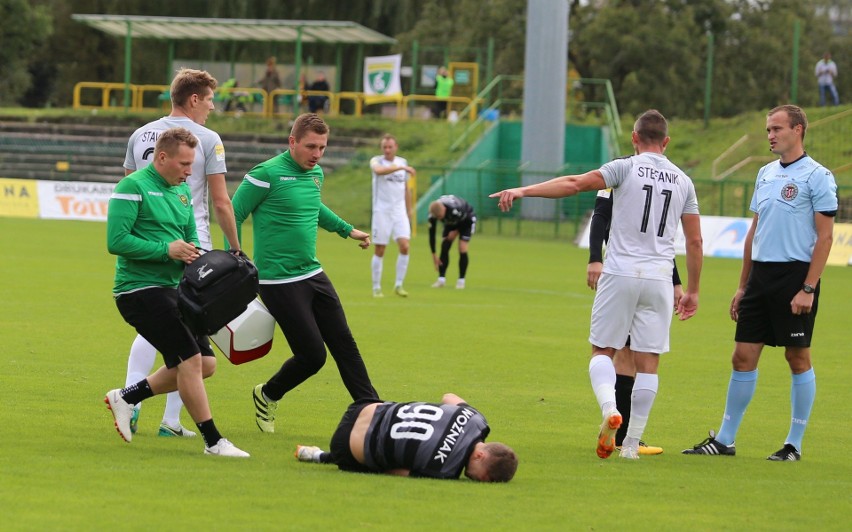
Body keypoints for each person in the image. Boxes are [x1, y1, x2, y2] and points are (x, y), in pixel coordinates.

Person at [490, 109, 703, 460]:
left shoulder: (624, 167)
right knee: (649, 362)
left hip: (620, 272)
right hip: (660, 279)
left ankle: (609, 410)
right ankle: (632, 445)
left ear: (635, 138)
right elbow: (694, 242)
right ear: (666, 142)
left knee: (602, 351)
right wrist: (692, 290)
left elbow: (574, 183)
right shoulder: (684, 181)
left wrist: (523, 189)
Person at [683, 105, 837, 462]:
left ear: (798, 130)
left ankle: (793, 444)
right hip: (760, 278)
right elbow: (755, 230)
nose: (770, 135)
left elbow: (825, 238)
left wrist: (808, 288)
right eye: (768, 129)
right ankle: (724, 439)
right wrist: (742, 285)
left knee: (797, 357)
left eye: (777, 128)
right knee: (742, 356)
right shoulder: (765, 174)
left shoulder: (818, 176)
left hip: (795, 276)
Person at [230, 113, 379, 434]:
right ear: (292, 142)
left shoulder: (316, 175)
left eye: (323, 148)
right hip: (276, 280)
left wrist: (346, 229)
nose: (317, 154)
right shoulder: (266, 174)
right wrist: (236, 257)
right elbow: (234, 212)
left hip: (312, 273)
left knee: (345, 343)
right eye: (311, 146)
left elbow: (314, 208)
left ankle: (372, 411)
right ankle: (267, 394)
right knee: (313, 356)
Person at [105, 127, 249, 458]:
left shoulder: (183, 194)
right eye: (184, 164)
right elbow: (116, 241)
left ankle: (127, 397)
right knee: (190, 359)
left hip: (174, 290)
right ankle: (214, 441)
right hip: (138, 291)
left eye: (192, 165)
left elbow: (190, 243)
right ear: (162, 157)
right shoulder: (132, 186)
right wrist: (166, 250)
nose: (189, 172)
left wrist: (207, 264)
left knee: (206, 364)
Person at [122, 67, 241, 439]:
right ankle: (160, 416)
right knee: (186, 332)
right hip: (192, 244)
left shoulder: (140, 134)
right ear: (193, 99)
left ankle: (139, 403)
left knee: (165, 327)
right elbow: (221, 201)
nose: (211, 108)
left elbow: (126, 184)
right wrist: (236, 250)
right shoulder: (207, 139)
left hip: (148, 245)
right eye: (209, 100)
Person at [587, 187, 686, 456]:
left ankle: (617, 427)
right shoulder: (637, 176)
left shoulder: (620, 174)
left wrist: (595, 258)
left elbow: (601, 217)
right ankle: (627, 439)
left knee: (618, 354)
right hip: (647, 276)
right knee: (631, 357)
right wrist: (676, 282)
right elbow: (601, 217)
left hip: (624, 275)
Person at [294, 392, 518, 482]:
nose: (475, 480)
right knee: (379, 465)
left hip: (364, 407)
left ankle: (318, 455)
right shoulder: (444, 471)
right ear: (479, 455)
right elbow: (395, 471)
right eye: (482, 478)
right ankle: (321, 456)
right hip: (345, 446)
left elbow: (448, 396)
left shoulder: (477, 419)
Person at [370, 134, 416, 298]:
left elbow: (405, 189)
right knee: (380, 249)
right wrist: (401, 169)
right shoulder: (377, 161)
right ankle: (376, 287)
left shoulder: (402, 162)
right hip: (381, 211)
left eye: (390, 147)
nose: (387, 150)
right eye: (385, 147)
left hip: (399, 212)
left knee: (405, 245)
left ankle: (399, 285)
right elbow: (378, 171)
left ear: (396, 147)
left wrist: (409, 211)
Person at [428, 195, 476, 289]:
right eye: (438, 218)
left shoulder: (455, 209)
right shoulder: (432, 215)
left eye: (440, 217)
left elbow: (464, 222)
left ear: (444, 209)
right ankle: (441, 279)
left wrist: (454, 233)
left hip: (467, 220)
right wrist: (433, 254)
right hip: (451, 220)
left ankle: (461, 281)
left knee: (462, 247)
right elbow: (432, 234)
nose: (439, 219)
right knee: (445, 245)